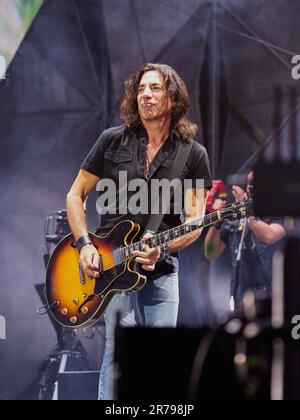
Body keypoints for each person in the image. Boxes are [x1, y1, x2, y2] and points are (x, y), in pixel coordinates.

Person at [66, 63, 212, 399]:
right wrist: (85, 244)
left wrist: (162, 248)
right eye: (141, 89)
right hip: (112, 267)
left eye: (155, 88)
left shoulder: (193, 154)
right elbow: (75, 195)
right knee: (118, 353)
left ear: (173, 97)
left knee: (161, 359)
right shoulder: (111, 140)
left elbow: (194, 221)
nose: (145, 94)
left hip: (161, 269)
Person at [204, 170, 286, 311]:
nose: (254, 190)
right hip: (241, 299)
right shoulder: (237, 218)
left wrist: (245, 209)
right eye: (251, 186)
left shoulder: (280, 213)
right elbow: (210, 252)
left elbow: (270, 236)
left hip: (274, 297)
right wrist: (217, 220)